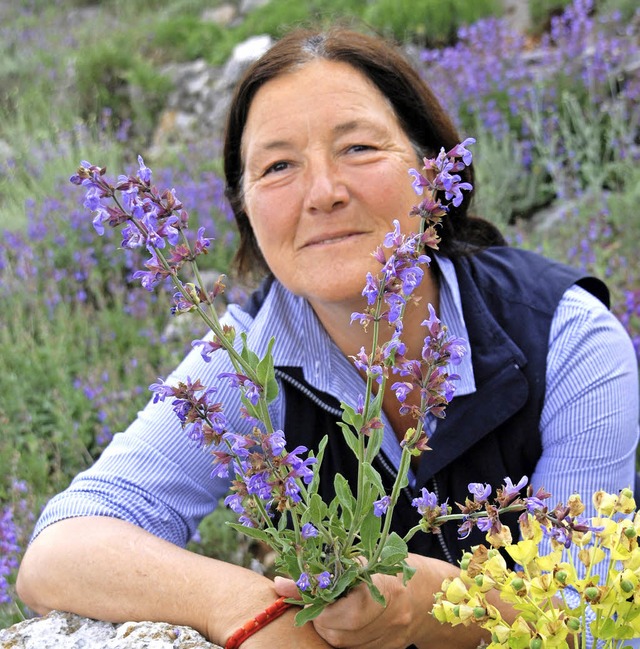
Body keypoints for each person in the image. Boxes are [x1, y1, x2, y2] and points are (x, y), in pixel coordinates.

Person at [17, 26, 639, 649]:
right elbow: (61, 548)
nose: (323, 194)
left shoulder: (565, 335)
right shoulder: (246, 358)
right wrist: (249, 607)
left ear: (431, 172)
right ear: (246, 209)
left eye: (359, 148)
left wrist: (433, 606)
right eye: (278, 166)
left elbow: (590, 612)